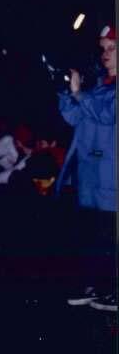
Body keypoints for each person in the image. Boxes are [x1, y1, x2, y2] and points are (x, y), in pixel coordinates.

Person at [60, 25, 116, 311]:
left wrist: (80, 94)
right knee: (93, 233)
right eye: (103, 48)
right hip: (91, 173)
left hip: (111, 175)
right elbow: (72, 117)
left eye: (112, 48)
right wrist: (66, 88)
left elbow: (107, 115)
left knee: (110, 233)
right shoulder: (99, 86)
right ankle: (95, 285)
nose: (105, 54)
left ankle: (113, 290)